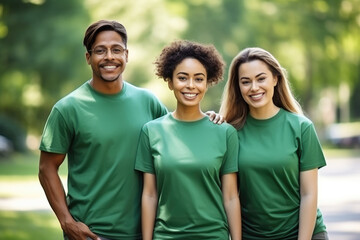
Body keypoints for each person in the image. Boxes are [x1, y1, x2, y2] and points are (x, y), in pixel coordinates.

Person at [38, 20, 223, 240]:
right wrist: (67, 222)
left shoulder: (147, 101)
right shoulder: (68, 109)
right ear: (88, 57)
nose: (109, 57)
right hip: (91, 234)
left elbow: (179, 131)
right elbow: (46, 168)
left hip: (143, 232)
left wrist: (207, 119)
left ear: (126, 55)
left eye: (116, 50)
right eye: (100, 51)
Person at [135, 40, 242, 240]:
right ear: (170, 82)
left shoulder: (225, 133)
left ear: (207, 82)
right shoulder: (151, 131)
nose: (191, 85)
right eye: (182, 78)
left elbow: (230, 196)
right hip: (165, 236)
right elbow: (149, 194)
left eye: (199, 79)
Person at [219, 47, 328, 240]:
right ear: (238, 86)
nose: (254, 87)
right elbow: (230, 195)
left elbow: (309, 194)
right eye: (246, 81)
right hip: (252, 236)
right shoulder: (230, 132)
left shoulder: (301, 127)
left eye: (261, 78)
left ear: (275, 79)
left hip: (304, 233)